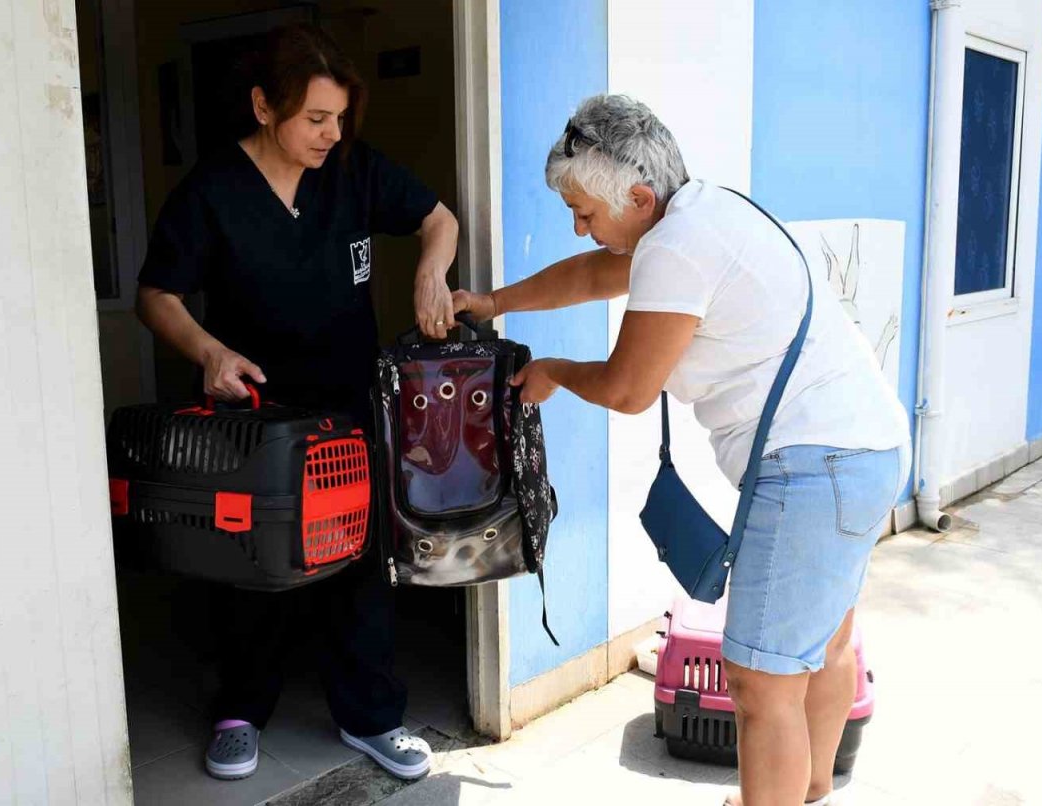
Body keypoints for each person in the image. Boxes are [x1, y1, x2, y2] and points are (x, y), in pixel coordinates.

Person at [451, 94, 911, 806]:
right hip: (865, 447)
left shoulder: (674, 246)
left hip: (816, 465)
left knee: (761, 684)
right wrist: (491, 303)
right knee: (821, 646)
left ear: (638, 196)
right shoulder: (702, 215)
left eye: (585, 212)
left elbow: (630, 388)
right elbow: (589, 275)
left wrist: (553, 373)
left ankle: (779, 796)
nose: (578, 225)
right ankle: (809, 786)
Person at [135, 24, 457, 782]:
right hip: (253, 417)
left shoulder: (353, 170)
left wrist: (429, 274)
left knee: (357, 562)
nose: (331, 133)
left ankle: (372, 717)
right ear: (263, 106)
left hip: (347, 403)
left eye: (339, 117)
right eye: (316, 117)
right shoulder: (213, 191)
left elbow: (437, 219)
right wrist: (209, 351)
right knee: (252, 568)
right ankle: (240, 712)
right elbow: (157, 295)